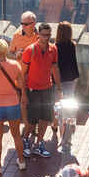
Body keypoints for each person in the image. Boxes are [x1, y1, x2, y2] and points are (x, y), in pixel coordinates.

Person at [0, 39, 28, 173]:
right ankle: (21, 162)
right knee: (16, 135)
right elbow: (21, 85)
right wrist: (23, 96)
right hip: (12, 103)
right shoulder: (15, 65)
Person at [21, 22, 60, 158]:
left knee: (45, 118)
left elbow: (55, 68)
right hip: (33, 90)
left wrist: (59, 88)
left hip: (47, 88)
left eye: (49, 35)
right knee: (32, 121)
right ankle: (25, 140)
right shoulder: (29, 50)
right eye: (44, 35)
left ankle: (39, 144)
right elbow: (22, 74)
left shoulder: (53, 49)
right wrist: (24, 94)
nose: (47, 37)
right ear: (38, 35)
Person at [54, 20, 80, 146]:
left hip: (59, 80)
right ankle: (68, 133)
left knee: (59, 106)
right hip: (71, 78)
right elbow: (73, 63)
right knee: (69, 106)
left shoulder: (55, 47)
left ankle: (61, 132)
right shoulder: (72, 45)